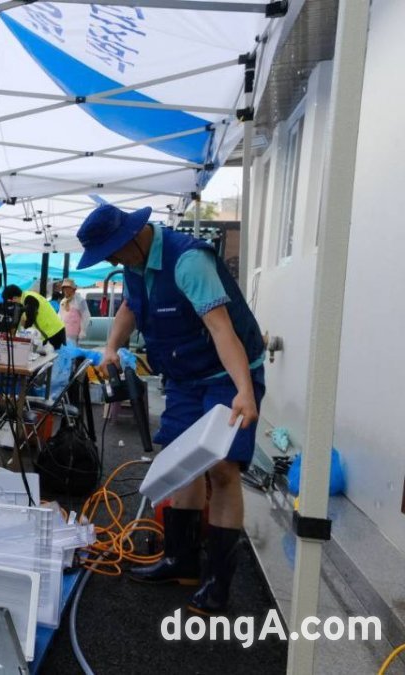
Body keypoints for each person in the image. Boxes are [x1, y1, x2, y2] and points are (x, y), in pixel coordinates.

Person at [75, 203, 265, 615]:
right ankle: (181, 562)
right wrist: (111, 347)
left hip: (226, 373)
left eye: (112, 251)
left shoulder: (189, 261)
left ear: (132, 237)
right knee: (182, 461)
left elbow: (221, 328)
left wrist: (244, 391)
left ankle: (218, 584)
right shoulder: (135, 263)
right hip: (183, 376)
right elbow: (130, 306)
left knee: (222, 468)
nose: (112, 261)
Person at [3, 283, 67, 349]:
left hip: (54, 333)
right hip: (52, 331)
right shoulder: (27, 296)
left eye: (11, 301)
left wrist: (24, 331)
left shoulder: (29, 298)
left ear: (14, 298)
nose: (12, 303)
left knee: (54, 354)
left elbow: (31, 317)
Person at [58, 279, 92, 346]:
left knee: (72, 347)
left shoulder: (80, 300)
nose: (66, 290)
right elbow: (60, 315)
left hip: (74, 332)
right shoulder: (63, 301)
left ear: (73, 289)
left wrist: (82, 330)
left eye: (68, 288)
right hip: (64, 331)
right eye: (64, 288)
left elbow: (85, 316)